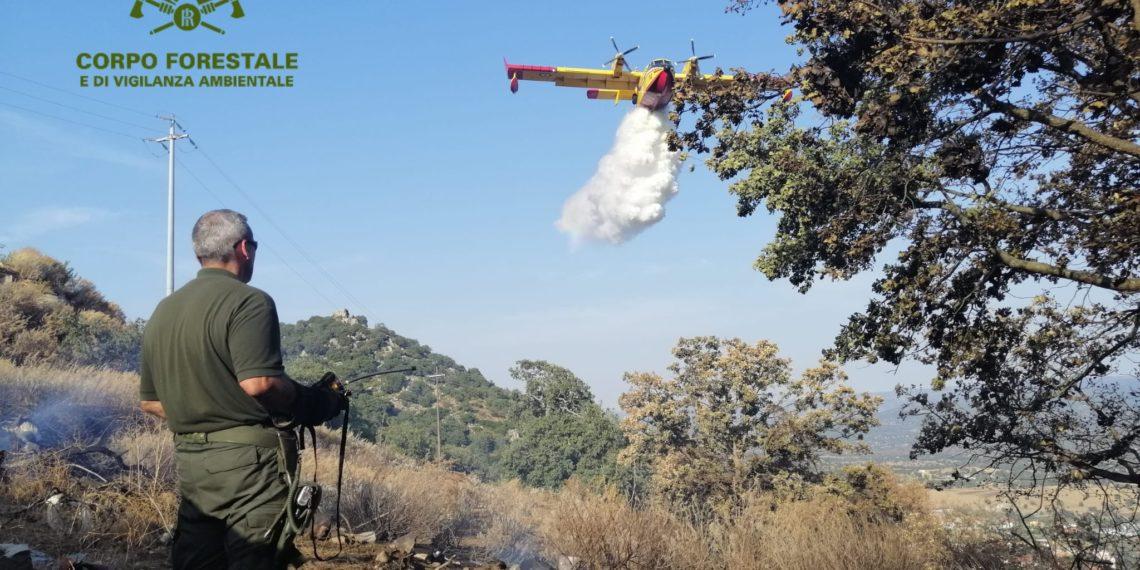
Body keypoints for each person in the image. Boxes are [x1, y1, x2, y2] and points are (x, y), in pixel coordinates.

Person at [139, 209, 343, 569]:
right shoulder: (249, 301)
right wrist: (315, 402)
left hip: (192, 462)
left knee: (198, 561)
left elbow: (152, 402)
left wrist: (207, 412)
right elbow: (259, 383)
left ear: (199, 253)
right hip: (251, 469)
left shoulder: (163, 311)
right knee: (256, 558)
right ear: (244, 248)